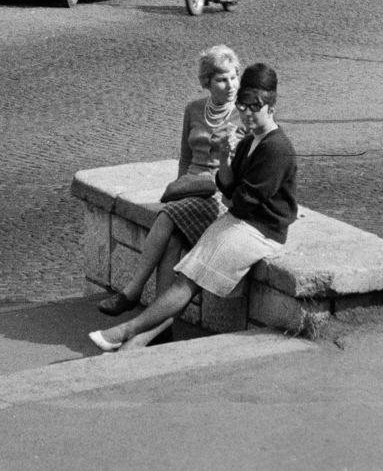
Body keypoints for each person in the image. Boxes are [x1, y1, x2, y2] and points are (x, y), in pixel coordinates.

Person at [91, 63, 295, 353]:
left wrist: (230, 196)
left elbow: (241, 200)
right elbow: (226, 186)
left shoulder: (276, 148)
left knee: (188, 280)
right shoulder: (250, 139)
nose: (248, 113)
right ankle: (134, 346)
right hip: (241, 222)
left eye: (256, 106)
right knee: (188, 278)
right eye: (243, 105)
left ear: (271, 106)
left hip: (262, 231)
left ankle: (125, 331)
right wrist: (224, 154)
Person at [97, 46, 245, 319]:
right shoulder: (194, 110)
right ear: (207, 82)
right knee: (172, 241)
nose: (230, 85)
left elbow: (238, 173)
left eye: (233, 76)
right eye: (222, 79)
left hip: (218, 193)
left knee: (167, 217)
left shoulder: (242, 116)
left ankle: (133, 291)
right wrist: (179, 190)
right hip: (191, 188)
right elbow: (185, 157)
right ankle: (161, 325)